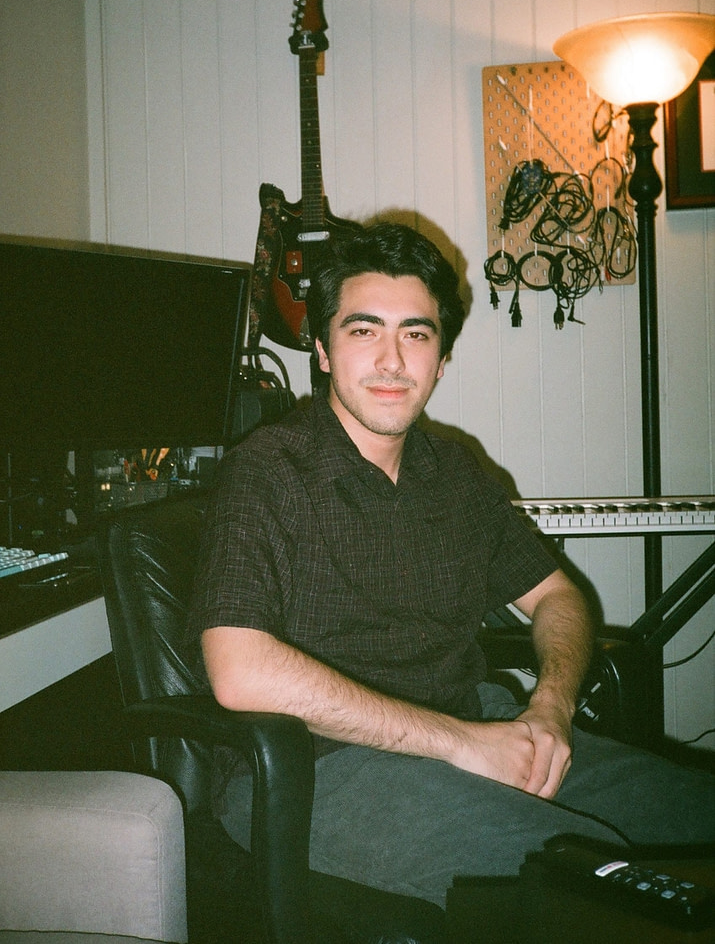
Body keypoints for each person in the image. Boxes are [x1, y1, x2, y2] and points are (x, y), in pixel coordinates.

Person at [188, 222, 714, 910]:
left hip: (476, 724)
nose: (391, 359)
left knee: (691, 815)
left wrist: (550, 708)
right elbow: (240, 668)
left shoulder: (452, 470)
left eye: (416, 333)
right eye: (362, 330)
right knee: (599, 892)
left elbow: (557, 595)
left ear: (439, 360)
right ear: (319, 349)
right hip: (314, 768)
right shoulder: (268, 470)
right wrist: (461, 744)